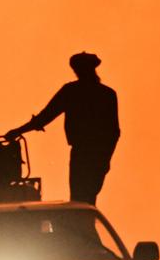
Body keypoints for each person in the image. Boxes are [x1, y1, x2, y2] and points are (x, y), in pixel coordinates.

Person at [7, 52, 119, 205]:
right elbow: (114, 132)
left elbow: (45, 116)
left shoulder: (72, 91)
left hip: (86, 154)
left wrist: (18, 131)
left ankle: (82, 220)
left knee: (80, 198)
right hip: (97, 154)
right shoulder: (106, 94)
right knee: (87, 197)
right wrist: (105, 158)